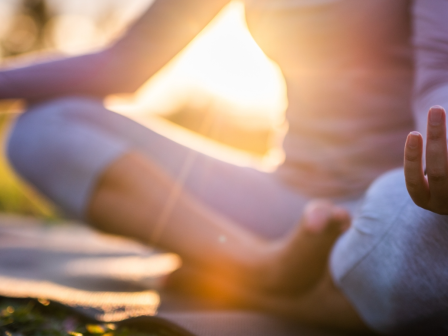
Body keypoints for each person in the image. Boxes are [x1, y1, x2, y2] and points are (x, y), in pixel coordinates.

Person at [1, 0, 448, 333]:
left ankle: (250, 285)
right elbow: (122, 65)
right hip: (281, 206)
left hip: (397, 203)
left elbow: (439, 75)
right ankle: (258, 268)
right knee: (43, 127)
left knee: (422, 240)